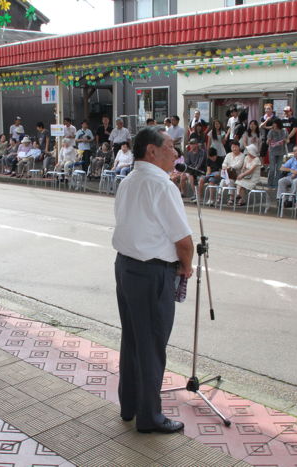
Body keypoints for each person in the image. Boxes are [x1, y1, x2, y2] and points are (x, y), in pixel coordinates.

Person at [112, 126, 193, 434]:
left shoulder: (129, 180)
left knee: (132, 339)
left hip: (125, 267)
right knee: (152, 346)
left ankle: (129, 405)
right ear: (152, 151)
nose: (176, 153)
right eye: (171, 147)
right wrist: (186, 266)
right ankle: (150, 416)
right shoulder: (162, 185)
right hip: (151, 272)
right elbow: (183, 240)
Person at [182, 137, 206, 202]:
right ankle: (184, 194)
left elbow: (200, 164)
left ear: (197, 144)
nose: (191, 145)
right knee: (183, 176)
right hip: (192, 170)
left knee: (191, 176)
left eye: (193, 144)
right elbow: (187, 163)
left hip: (201, 171)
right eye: (190, 144)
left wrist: (192, 170)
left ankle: (196, 194)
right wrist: (188, 170)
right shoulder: (189, 153)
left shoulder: (202, 152)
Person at [266, 118, 288, 188]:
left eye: (274, 123)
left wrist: (285, 140)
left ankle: (276, 183)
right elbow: (267, 141)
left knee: (279, 168)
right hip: (272, 151)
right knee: (272, 168)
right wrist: (270, 141)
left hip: (281, 151)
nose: (273, 125)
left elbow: (288, 140)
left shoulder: (284, 130)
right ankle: (269, 183)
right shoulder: (271, 131)